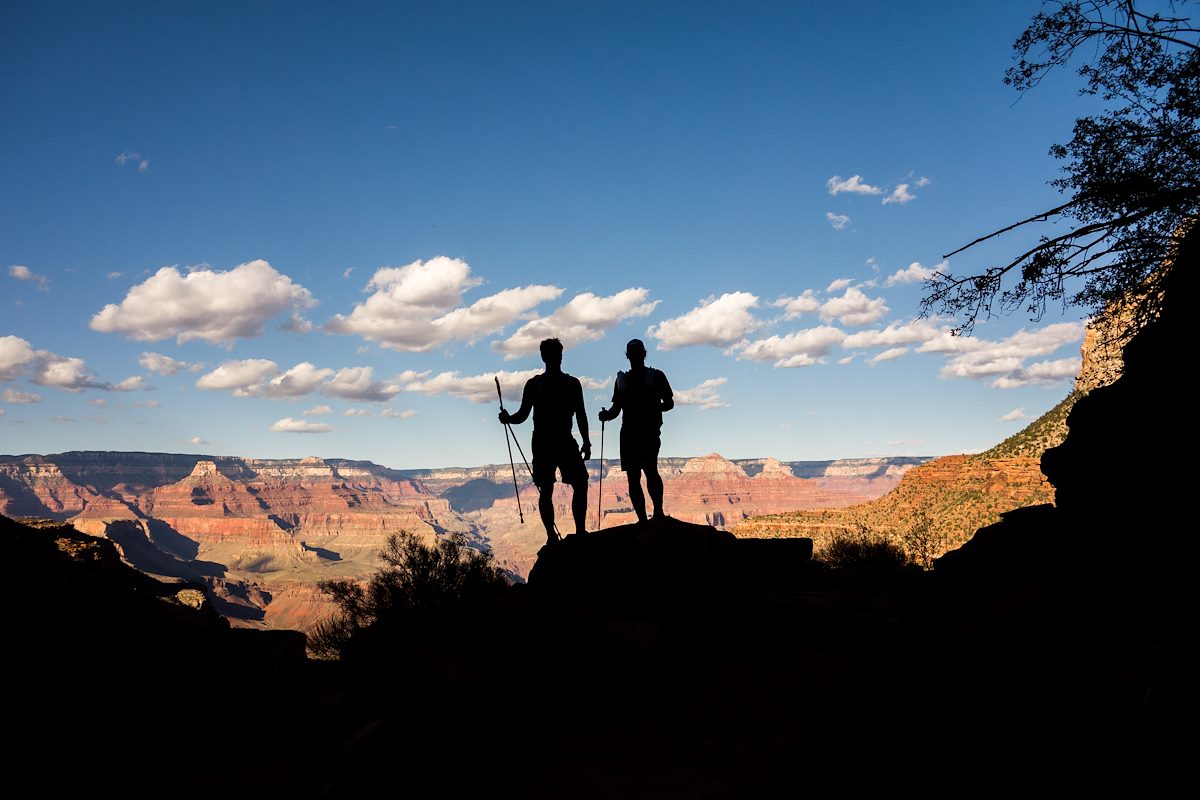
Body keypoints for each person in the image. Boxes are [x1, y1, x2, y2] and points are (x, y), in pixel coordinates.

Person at [499, 338, 592, 545]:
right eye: (555, 354)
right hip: (558, 440)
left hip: (546, 441)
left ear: (544, 356)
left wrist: (509, 419)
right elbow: (581, 415)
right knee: (575, 484)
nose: (556, 357)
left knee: (551, 488)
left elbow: (522, 416)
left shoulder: (536, 385)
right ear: (556, 356)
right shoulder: (569, 384)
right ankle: (575, 533)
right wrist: (586, 441)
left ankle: (557, 536)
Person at [598, 338, 673, 524]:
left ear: (630, 355)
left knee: (640, 474)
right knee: (645, 473)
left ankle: (649, 517)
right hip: (642, 433)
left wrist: (607, 415)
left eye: (635, 353)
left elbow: (616, 410)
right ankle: (654, 515)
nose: (634, 356)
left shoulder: (631, 380)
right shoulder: (646, 377)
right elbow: (669, 404)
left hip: (635, 433)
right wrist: (607, 415)